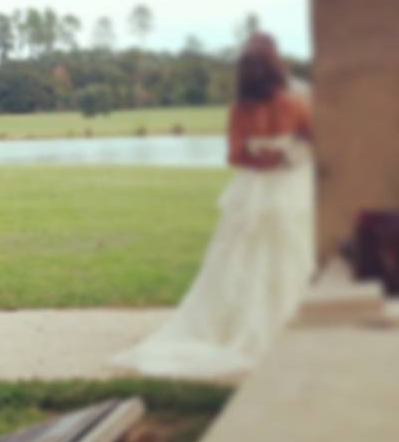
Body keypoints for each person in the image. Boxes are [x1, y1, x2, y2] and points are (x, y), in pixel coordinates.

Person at [111, 33, 314, 378]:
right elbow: (314, 140)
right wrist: (284, 157)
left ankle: (232, 326)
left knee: (239, 258)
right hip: (288, 186)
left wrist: (259, 160)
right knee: (291, 254)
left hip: (252, 188)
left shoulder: (240, 110)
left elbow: (235, 155)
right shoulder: (294, 104)